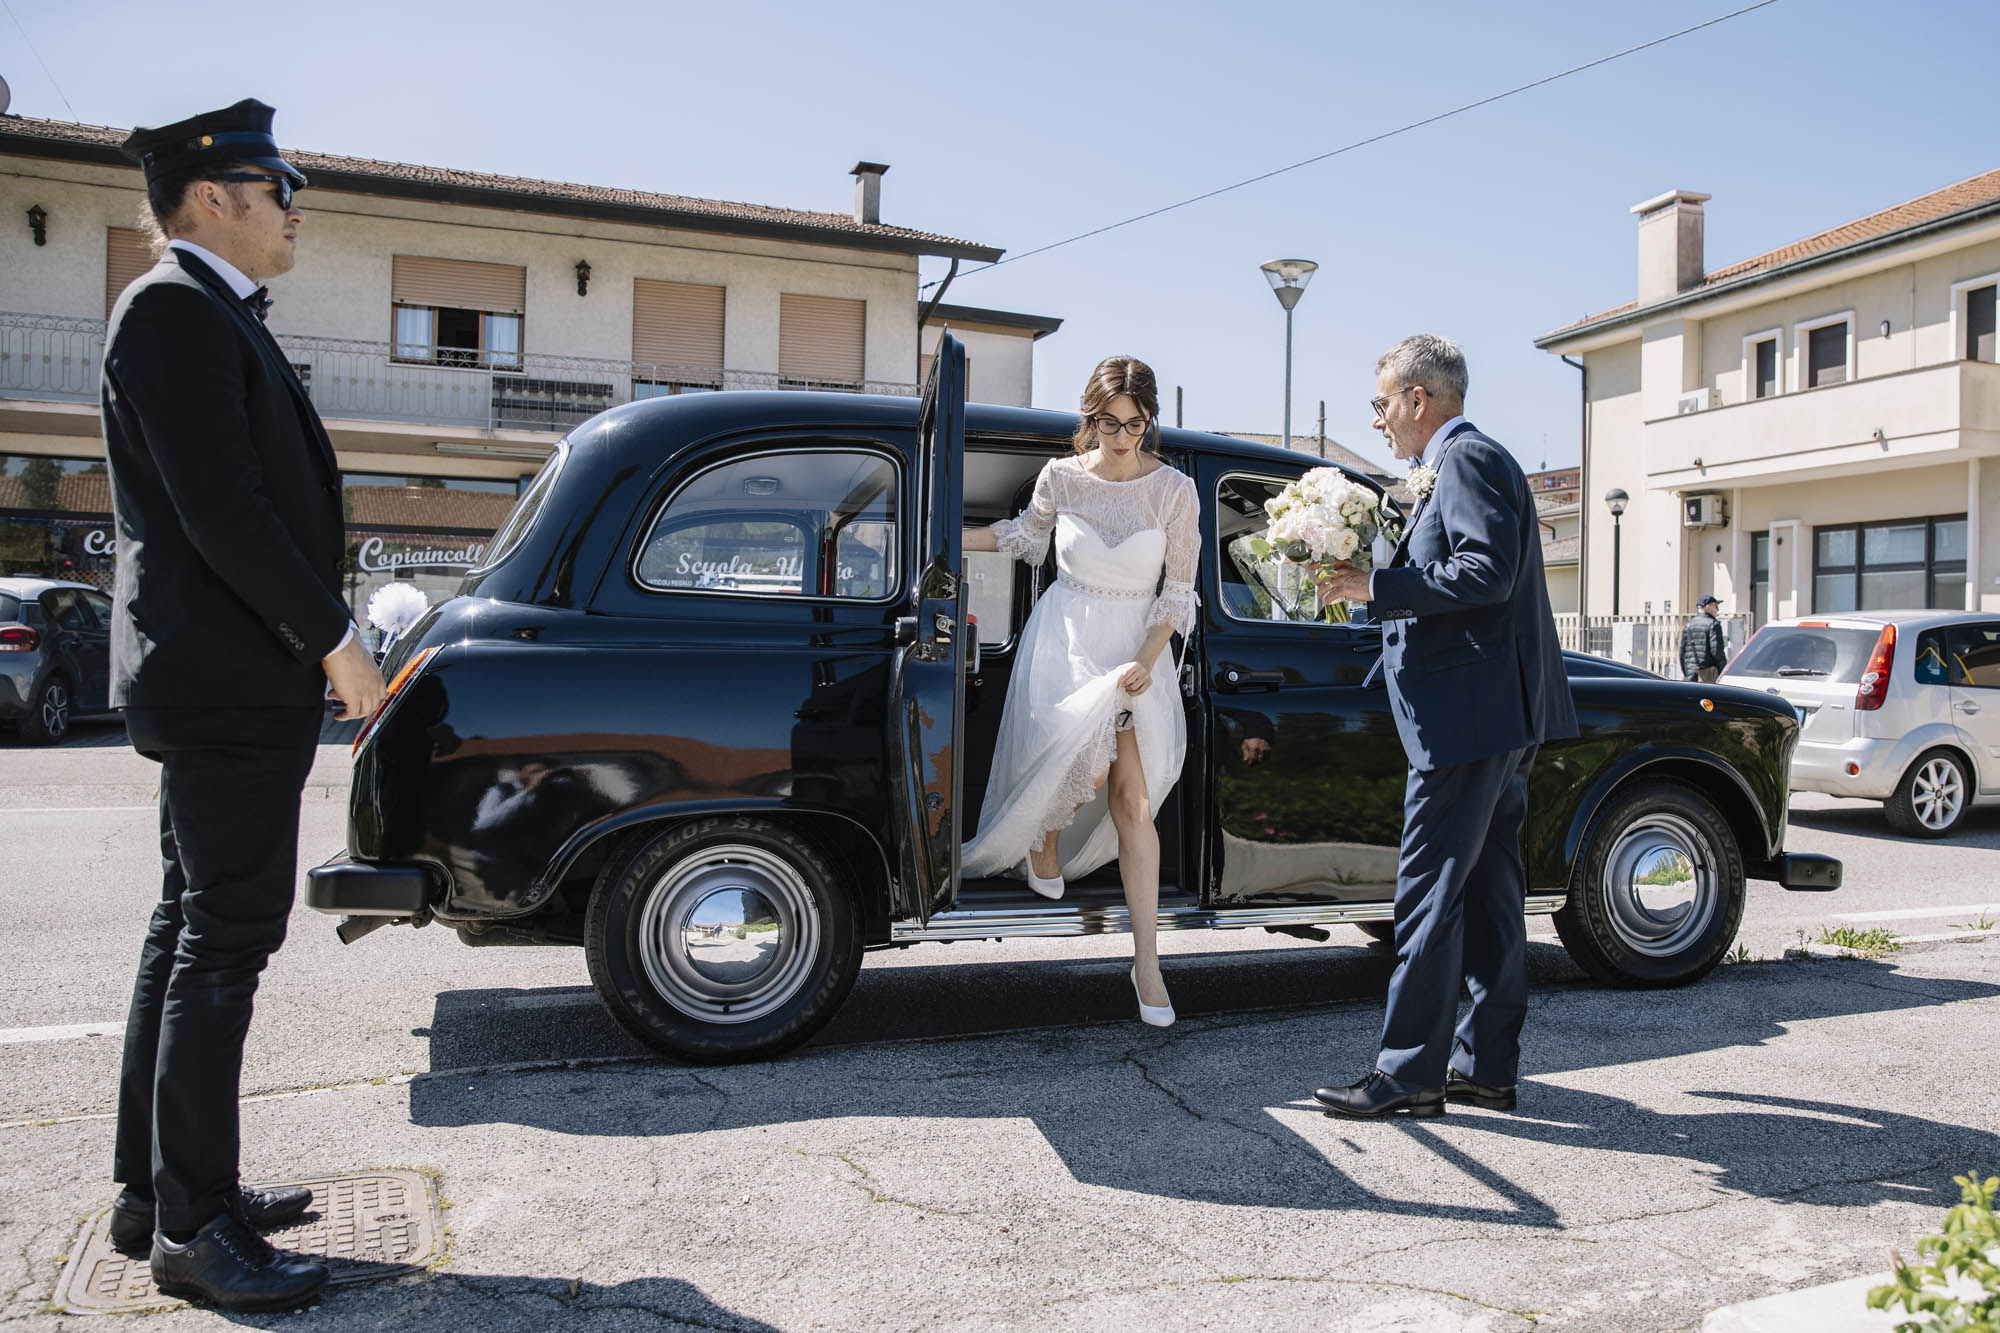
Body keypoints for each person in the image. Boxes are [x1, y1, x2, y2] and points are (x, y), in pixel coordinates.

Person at [101, 99, 386, 1310]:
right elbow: (225, 513)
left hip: (218, 674)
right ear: (212, 197)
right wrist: (337, 643)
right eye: (279, 194)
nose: (294, 214)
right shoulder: (174, 307)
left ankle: (157, 1194)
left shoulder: (201, 310)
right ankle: (195, 1228)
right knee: (222, 943)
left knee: (188, 931)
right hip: (229, 678)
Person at [1312, 335, 1577, 1118]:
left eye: (1382, 404)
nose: (1380, 420)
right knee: (1493, 893)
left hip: (1468, 720)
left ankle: (1407, 1072)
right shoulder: (1466, 462)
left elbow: (1483, 572)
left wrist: (1375, 585)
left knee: (1427, 893)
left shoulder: (1465, 459)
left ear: (1418, 399)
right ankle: (1484, 1067)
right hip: (1488, 715)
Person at [959, 357, 1197, 1027]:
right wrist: (953, 540)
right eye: (1109, 423)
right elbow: (1022, 538)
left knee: (1134, 798)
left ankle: (1146, 961)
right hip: (1065, 640)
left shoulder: (1175, 491)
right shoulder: (1061, 477)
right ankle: (1043, 837)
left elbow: (1177, 594)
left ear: (1149, 420)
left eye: (1136, 424)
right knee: (1086, 755)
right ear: (1088, 418)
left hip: (1138, 648)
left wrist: (1147, 661)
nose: (1123, 437)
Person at [1681, 595, 1729, 683]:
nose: (1717, 610)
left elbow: (1682, 652)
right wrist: (1723, 671)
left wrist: (1687, 672)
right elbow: (1717, 652)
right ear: (1708, 606)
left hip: (1691, 674)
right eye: (1716, 606)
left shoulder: (1689, 624)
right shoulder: (1713, 625)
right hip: (1708, 674)